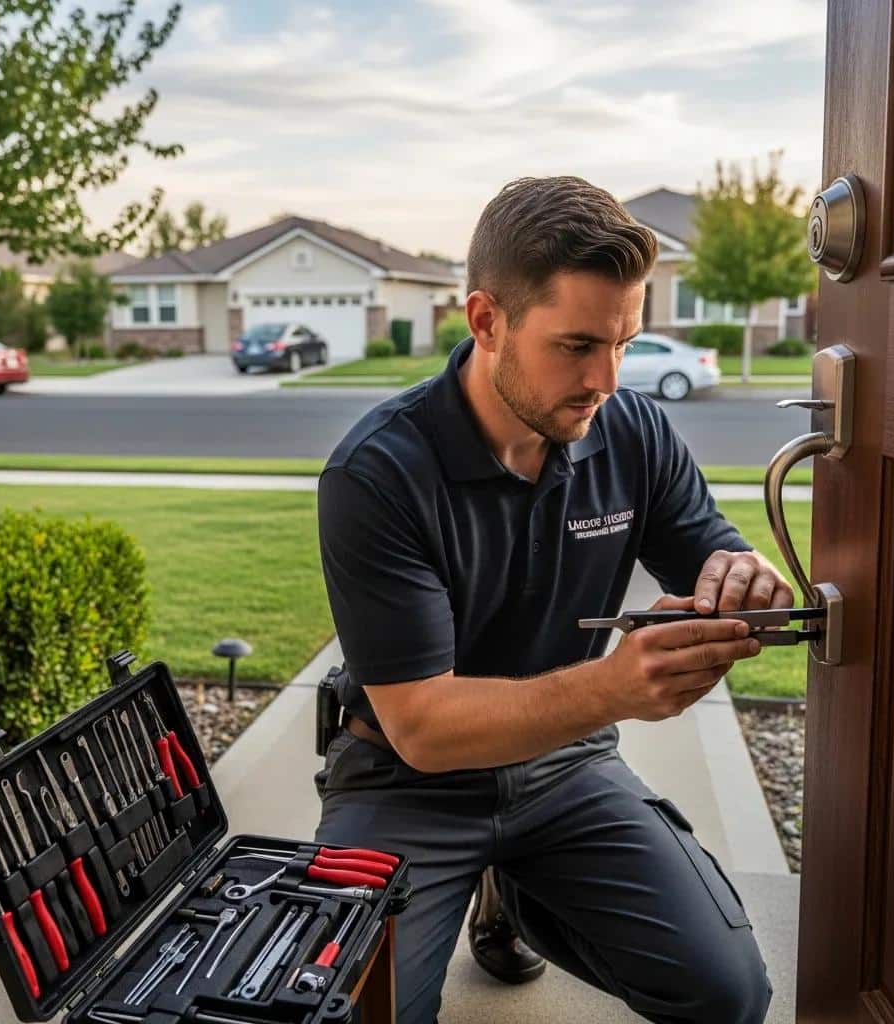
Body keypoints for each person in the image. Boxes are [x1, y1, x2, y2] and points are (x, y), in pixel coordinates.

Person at [313, 175, 789, 1023]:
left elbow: (704, 544)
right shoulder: (377, 473)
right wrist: (613, 690)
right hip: (403, 780)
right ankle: (495, 876)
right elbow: (421, 727)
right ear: (488, 321)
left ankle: (521, 893)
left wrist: (737, 570)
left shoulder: (630, 429)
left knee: (730, 993)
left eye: (624, 343)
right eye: (576, 346)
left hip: (564, 766)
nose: (605, 379)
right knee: (354, 1013)